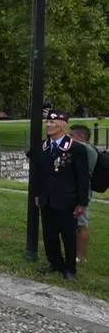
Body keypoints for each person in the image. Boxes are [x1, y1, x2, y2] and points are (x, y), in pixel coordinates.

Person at [32, 111, 90, 280]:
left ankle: (70, 267)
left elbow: (83, 178)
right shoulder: (42, 147)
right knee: (49, 234)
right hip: (46, 198)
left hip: (66, 199)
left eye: (53, 122)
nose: (49, 125)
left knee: (68, 235)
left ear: (63, 125)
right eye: (48, 122)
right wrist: (37, 194)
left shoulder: (75, 148)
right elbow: (37, 173)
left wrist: (82, 203)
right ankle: (55, 263)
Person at [70, 124, 99, 264]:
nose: (69, 138)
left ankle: (81, 257)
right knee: (76, 223)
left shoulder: (86, 149)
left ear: (80, 136)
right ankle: (75, 253)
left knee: (81, 223)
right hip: (76, 188)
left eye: (71, 135)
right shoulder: (84, 149)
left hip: (83, 190)